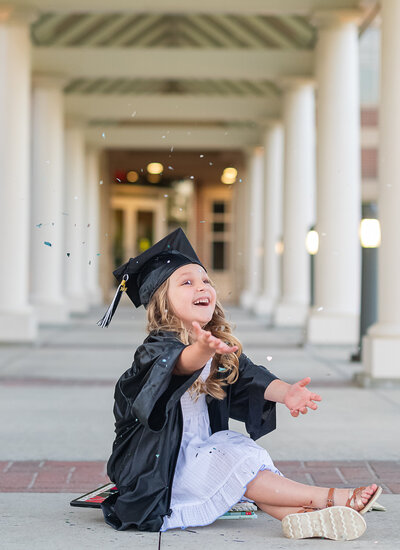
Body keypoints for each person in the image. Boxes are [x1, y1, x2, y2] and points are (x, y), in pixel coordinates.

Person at [98, 228, 381, 541]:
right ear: (162, 301)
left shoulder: (216, 346)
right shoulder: (156, 349)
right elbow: (176, 366)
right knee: (233, 459)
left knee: (239, 457)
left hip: (200, 456)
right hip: (160, 470)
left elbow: (248, 378)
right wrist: (201, 351)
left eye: (206, 280)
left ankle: (304, 518)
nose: (201, 286)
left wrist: (287, 393)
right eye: (187, 282)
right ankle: (331, 498)